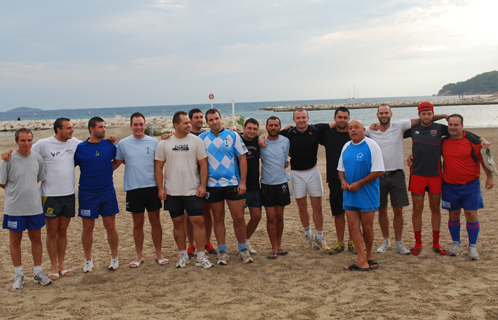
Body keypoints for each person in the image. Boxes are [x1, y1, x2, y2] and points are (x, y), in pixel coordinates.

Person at [407, 102, 489, 256]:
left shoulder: (440, 128)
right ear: (419, 115)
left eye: (429, 113)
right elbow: (392, 130)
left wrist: (481, 138)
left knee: (435, 208)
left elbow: (461, 131)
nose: (426, 116)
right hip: (417, 174)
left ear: (433, 114)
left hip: (436, 175)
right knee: (417, 209)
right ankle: (418, 243)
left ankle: (436, 243)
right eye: (423, 114)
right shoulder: (412, 129)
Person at [367, 105, 450, 254]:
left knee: (400, 210)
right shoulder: (371, 130)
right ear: (377, 114)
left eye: (386, 113)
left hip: (399, 174)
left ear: (391, 113)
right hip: (378, 174)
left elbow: (424, 119)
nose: (384, 115)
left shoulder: (399, 126)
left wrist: (445, 115)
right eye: (381, 113)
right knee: (382, 209)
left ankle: (402, 242)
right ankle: (387, 241)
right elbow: (355, 131)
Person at [155, 111, 214, 268]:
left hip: (193, 190)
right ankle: (183, 255)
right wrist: (160, 188)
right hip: (172, 191)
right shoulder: (164, 143)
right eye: (185, 123)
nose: (189, 125)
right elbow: (159, 166)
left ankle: (201, 256)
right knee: (178, 223)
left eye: (189, 122)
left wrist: (202, 185)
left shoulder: (196, 141)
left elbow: (203, 164)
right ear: (176, 125)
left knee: (198, 221)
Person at [114, 113, 168, 268]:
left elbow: (159, 164)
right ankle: (139, 255)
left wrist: (160, 188)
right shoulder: (123, 144)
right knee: (137, 223)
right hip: (133, 188)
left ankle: (158, 253)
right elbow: (119, 162)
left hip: (152, 188)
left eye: (141, 124)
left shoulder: (154, 142)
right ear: (131, 126)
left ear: (145, 125)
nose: (138, 127)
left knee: (155, 222)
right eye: (135, 124)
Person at [200, 109, 253, 265]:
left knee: (238, 218)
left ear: (221, 119)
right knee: (218, 218)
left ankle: (242, 249)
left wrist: (242, 182)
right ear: (207, 122)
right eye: (211, 120)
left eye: (217, 118)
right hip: (212, 185)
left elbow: (243, 159)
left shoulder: (233, 135)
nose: (214, 122)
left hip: (232, 183)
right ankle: (222, 252)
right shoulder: (202, 138)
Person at [1, 128, 52, 289]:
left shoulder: (37, 158)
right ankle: (18, 275)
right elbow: (2, 182)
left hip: (35, 207)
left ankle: (38, 272)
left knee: (36, 239)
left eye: (29, 140)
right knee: (15, 241)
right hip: (14, 208)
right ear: (16, 141)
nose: (26, 143)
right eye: (23, 140)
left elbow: (39, 179)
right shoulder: (8, 160)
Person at [275, 108, 332, 251]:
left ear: (308, 117)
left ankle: (320, 237)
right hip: (296, 174)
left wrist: (371, 126)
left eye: (303, 117)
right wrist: (262, 138)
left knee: (317, 206)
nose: (301, 120)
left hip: (313, 171)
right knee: (302, 207)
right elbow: (270, 136)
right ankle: (308, 235)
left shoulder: (316, 129)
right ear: (293, 120)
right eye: (298, 118)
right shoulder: (288, 133)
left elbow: (337, 124)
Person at [442, 114, 494, 260]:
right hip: (450, 185)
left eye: (456, 125)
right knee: (453, 214)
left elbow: (484, 160)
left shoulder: (473, 142)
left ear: (462, 126)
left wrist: (490, 177)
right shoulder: (444, 142)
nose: (452, 127)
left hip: (470, 185)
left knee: (471, 214)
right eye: (450, 125)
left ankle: (472, 246)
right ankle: (456, 243)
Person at [74, 117, 120, 272]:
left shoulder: (110, 146)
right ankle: (88, 260)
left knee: (110, 226)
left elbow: (118, 160)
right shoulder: (80, 148)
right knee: (87, 228)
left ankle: (114, 258)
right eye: (100, 127)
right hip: (87, 194)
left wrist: (107, 171)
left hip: (107, 191)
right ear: (91, 129)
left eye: (104, 127)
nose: (104, 129)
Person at [338, 120, 384, 271]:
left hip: (367, 193)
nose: (353, 130)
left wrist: (359, 183)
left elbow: (379, 171)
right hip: (350, 193)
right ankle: (362, 259)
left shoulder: (371, 145)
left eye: (356, 127)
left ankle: (369, 256)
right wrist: (343, 181)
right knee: (352, 226)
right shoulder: (346, 146)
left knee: (367, 226)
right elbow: (341, 169)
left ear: (363, 129)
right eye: (350, 128)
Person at [320, 107, 356, 255]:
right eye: (339, 117)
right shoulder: (327, 135)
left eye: (345, 117)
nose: (342, 120)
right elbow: (309, 132)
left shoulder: (354, 133)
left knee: (353, 212)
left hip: (354, 179)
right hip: (335, 179)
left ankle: (353, 242)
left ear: (349, 119)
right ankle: (340, 242)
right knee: (338, 212)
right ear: (334, 119)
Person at [185, 108, 217, 258]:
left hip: (206, 179)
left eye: (200, 117)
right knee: (188, 215)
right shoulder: (185, 135)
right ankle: (191, 244)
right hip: (189, 180)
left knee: (206, 212)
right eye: (195, 117)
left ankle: (207, 242)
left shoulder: (207, 135)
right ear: (190, 120)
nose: (199, 120)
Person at [260, 116, 291, 259]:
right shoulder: (261, 142)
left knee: (280, 217)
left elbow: (285, 160)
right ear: (266, 127)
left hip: (282, 183)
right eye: (270, 125)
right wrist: (261, 136)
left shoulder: (286, 141)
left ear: (280, 127)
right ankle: (272, 247)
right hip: (266, 184)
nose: (273, 128)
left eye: (276, 125)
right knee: (271, 218)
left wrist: (286, 163)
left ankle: (279, 245)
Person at [240, 118, 262, 255]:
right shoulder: (236, 140)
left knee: (257, 216)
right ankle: (241, 246)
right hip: (241, 187)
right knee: (240, 218)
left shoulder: (258, 140)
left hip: (255, 186)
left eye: (254, 129)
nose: (252, 131)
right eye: (249, 128)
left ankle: (245, 241)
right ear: (244, 128)